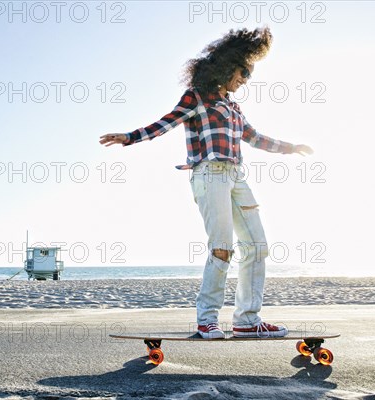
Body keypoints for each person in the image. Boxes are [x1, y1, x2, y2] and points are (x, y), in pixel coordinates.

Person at [99, 27, 313, 339]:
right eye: (242, 73)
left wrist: (291, 147)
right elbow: (166, 122)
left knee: (257, 246)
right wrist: (130, 137)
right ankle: (207, 319)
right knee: (222, 248)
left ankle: (247, 320)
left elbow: (255, 138)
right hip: (209, 174)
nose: (244, 80)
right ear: (227, 67)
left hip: (236, 177)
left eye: (248, 75)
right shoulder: (197, 97)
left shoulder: (235, 108)